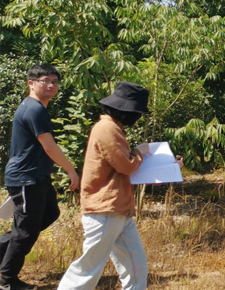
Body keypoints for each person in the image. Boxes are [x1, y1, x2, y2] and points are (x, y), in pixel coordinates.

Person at [58, 81, 159, 290]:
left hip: (118, 210)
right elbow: (127, 165)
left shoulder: (113, 127)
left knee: (136, 266)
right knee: (88, 269)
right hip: (104, 211)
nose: (137, 117)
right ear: (127, 111)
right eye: (137, 113)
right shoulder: (107, 128)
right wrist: (140, 150)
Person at [0, 64, 80, 290]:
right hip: (25, 178)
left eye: (55, 82)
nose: (51, 85)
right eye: (46, 80)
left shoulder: (36, 108)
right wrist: (70, 170)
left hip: (37, 177)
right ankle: (7, 280)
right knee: (25, 231)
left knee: (49, 214)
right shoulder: (34, 109)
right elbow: (49, 146)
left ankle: (3, 255)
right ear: (31, 83)